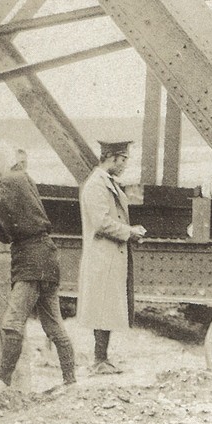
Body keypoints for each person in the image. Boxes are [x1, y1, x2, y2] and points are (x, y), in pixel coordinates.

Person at [0, 140, 76, 395]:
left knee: (12, 322)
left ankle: (2, 382)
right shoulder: (24, 178)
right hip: (47, 256)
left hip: (30, 259)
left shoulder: (4, 184)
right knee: (54, 326)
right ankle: (71, 382)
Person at [76, 140, 147, 374]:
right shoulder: (96, 185)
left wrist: (131, 231)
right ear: (112, 158)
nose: (125, 164)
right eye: (123, 160)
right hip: (102, 257)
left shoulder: (106, 182)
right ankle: (99, 360)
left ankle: (102, 359)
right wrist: (129, 232)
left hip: (108, 256)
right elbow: (101, 222)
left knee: (105, 307)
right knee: (102, 307)